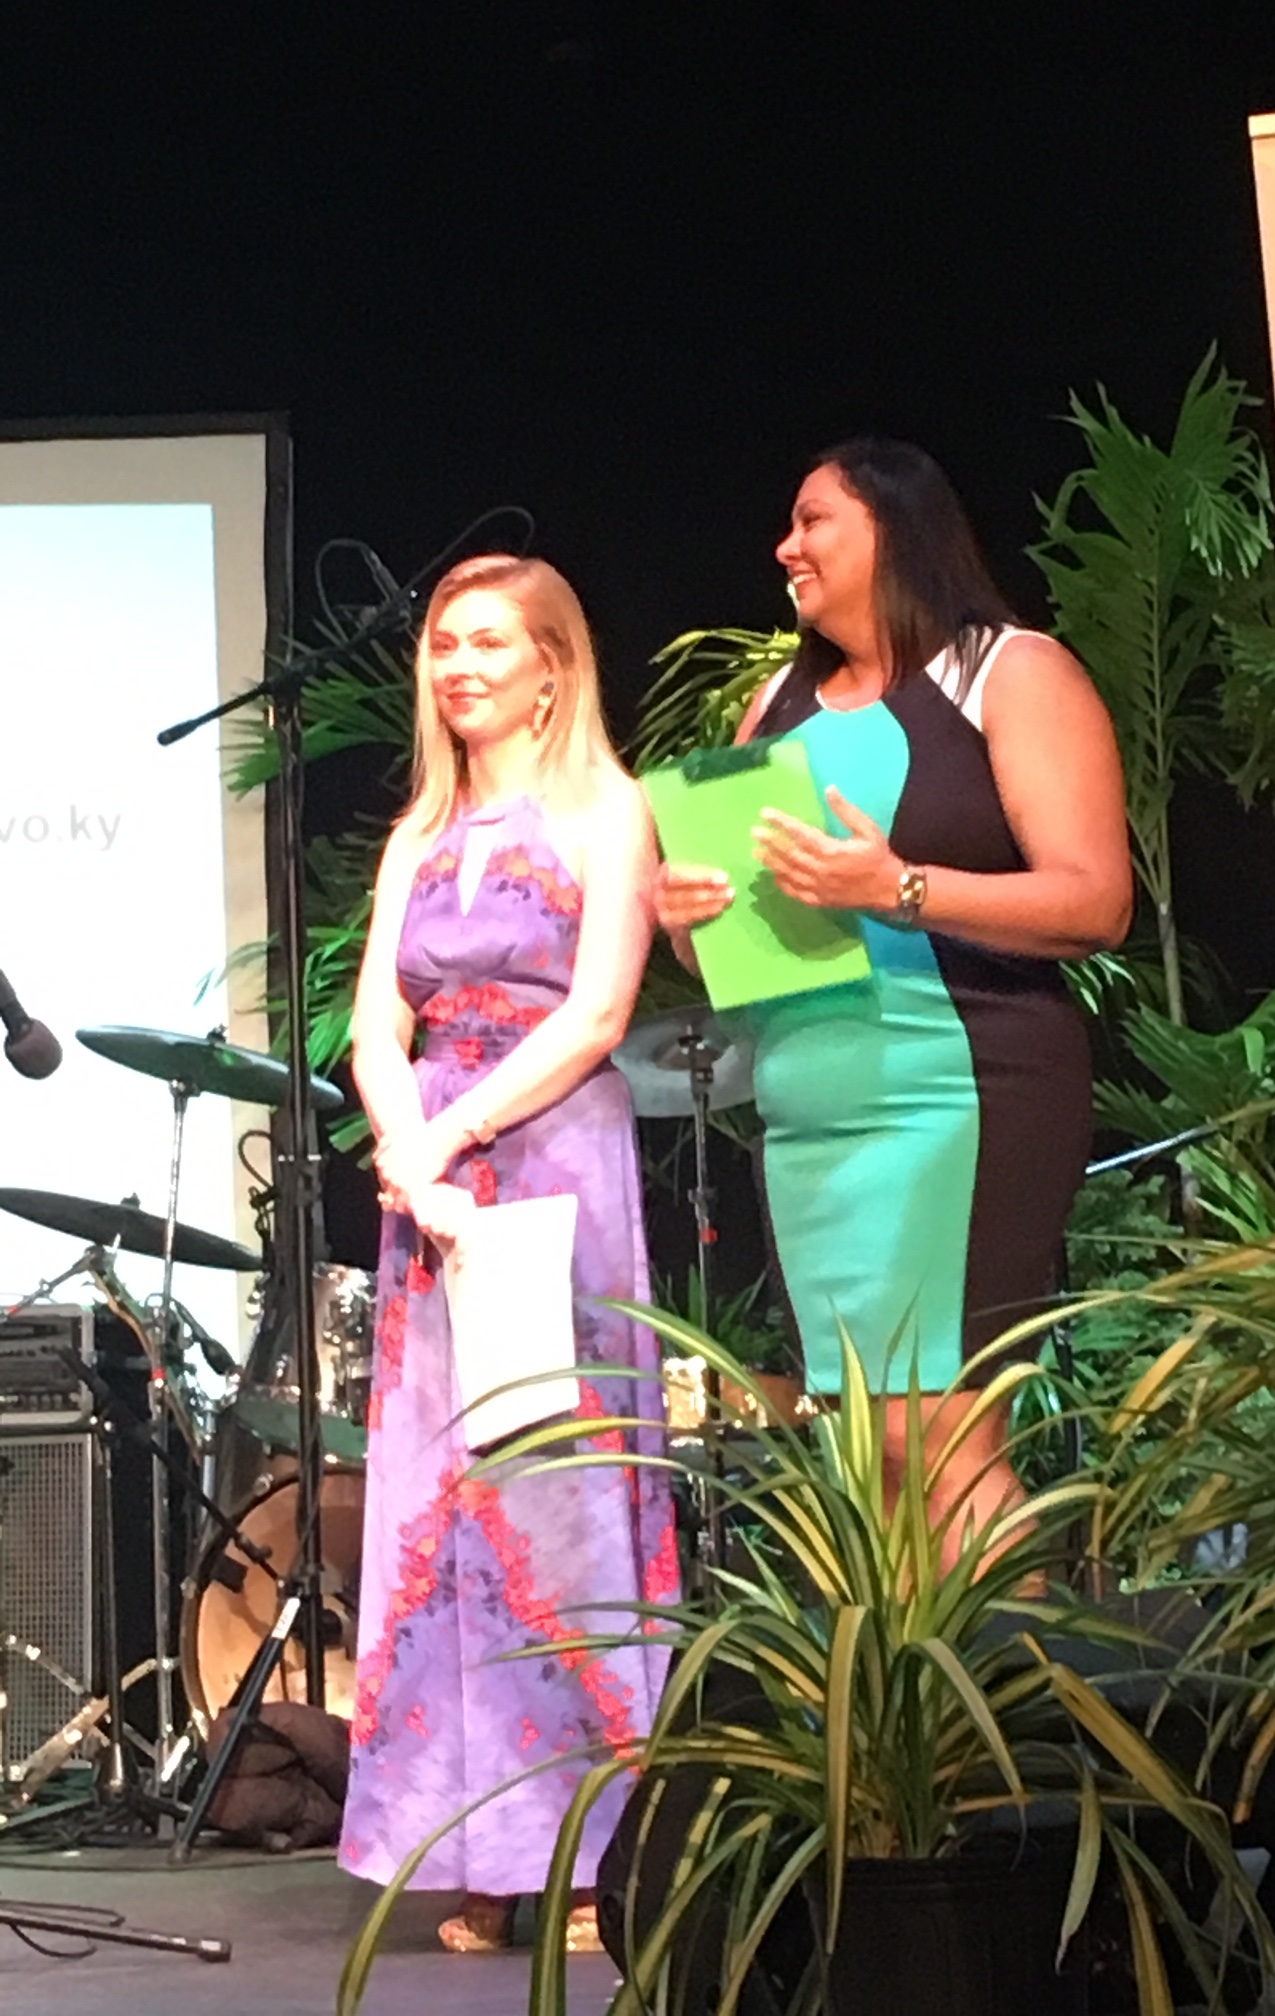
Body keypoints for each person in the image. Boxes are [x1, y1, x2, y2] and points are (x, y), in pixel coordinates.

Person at [655, 440, 1132, 1571]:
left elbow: (1096, 900)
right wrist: (684, 914)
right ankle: (912, 1688)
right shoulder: (775, 705)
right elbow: (729, 945)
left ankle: (1019, 1681)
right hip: (812, 1120)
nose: (787, 547)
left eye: (813, 519)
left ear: (895, 528)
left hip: (957, 1096)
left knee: (944, 1441)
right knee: (868, 1452)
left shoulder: (1009, 671)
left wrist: (899, 889)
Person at [339, 553, 678, 1953]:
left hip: (549, 1163)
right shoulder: (417, 834)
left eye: (489, 642)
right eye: (443, 643)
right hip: (432, 1191)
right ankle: (478, 1853)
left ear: (552, 664)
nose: (459, 665)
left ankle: (592, 1853)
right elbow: (373, 1023)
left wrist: (451, 1132)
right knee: (445, 1504)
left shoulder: (609, 809)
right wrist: (405, 1143)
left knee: (555, 1493)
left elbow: (598, 1013)